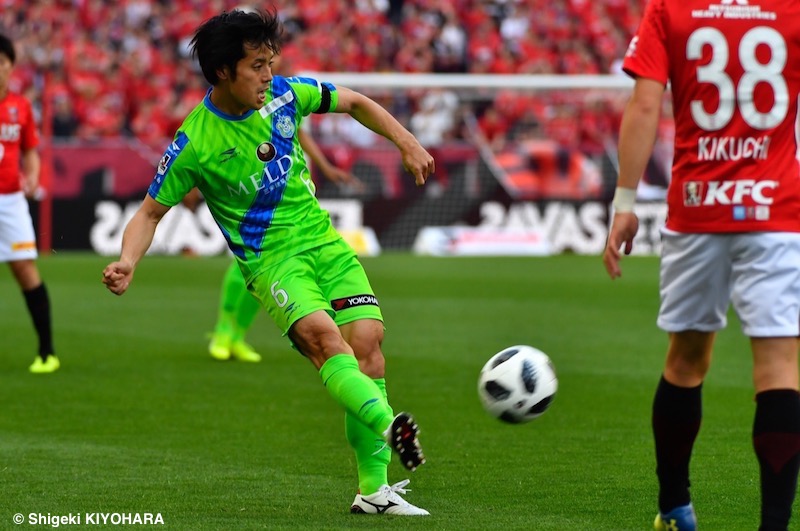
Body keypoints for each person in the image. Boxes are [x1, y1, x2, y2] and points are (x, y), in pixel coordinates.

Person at [102, 8, 433, 515]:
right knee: (327, 341)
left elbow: (355, 102)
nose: (267, 75)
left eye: (270, 62)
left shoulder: (284, 95)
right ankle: (389, 424)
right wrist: (128, 260)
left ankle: (373, 493)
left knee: (368, 344)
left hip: (325, 243)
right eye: (256, 65)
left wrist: (407, 141)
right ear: (222, 73)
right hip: (273, 264)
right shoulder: (195, 142)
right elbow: (149, 213)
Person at [603, 2, 800, 530]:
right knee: (780, 366)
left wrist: (624, 202)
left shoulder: (671, 7)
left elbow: (645, 106)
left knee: (686, 360)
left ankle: (675, 508)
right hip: (776, 207)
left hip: (697, 206)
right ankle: (775, 526)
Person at [206, 127, 362, 363]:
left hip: (291, 186)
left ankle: (237, 336)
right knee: (248, 264)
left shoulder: (287, 97)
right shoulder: (252, 103)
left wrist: (324, 167)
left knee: (268, 271)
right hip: (258, 184)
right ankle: (223, 331)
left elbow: (298, 130)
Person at [0, 33, 58, 374]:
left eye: (2, 64)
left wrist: (33, 175)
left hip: (11, 202)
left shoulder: (20, 107)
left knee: (25, 270)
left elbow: (30, 151)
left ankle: (47, 352)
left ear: (11, 67)